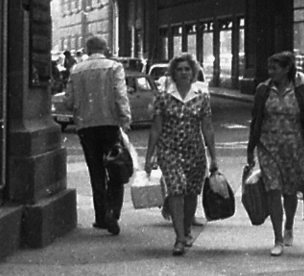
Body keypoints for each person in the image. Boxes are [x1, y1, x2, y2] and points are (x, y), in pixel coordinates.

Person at [248, 51, 304, 253]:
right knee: (273, 190)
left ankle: (289, 225)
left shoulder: (300, 91)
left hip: (295, 148)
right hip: (268, 147)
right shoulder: (263, 90)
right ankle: (278, 239)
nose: (270, 72)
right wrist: (250, 149)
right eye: (269, 68)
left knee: (290, 191)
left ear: (287, 68)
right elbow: (256, 120)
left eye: (275, 68)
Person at [145, 53, 218, 254]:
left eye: (187, 69)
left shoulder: (202, 97)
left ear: (193, 72)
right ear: (173, 73)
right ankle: (178, 238)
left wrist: (213, 157)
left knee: (191, 192)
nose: (184, 72)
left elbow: (208, 129)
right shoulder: (163, 97)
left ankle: (186, 230)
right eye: (180, 69)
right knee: (176, 189)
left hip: (194, 152)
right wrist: (149, 156)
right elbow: (156, 129)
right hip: (170, 150)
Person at [65, 35, 132, 237]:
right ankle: (113, 212)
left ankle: (101, 216)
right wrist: (125, 119)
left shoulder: (76, 70)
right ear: (105, 48)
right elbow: (120, 95)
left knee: (96, 172)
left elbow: (69, 100)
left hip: (86, 126)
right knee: (115, 167)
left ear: (86, 48)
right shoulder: (114, 67)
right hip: (110, 123)